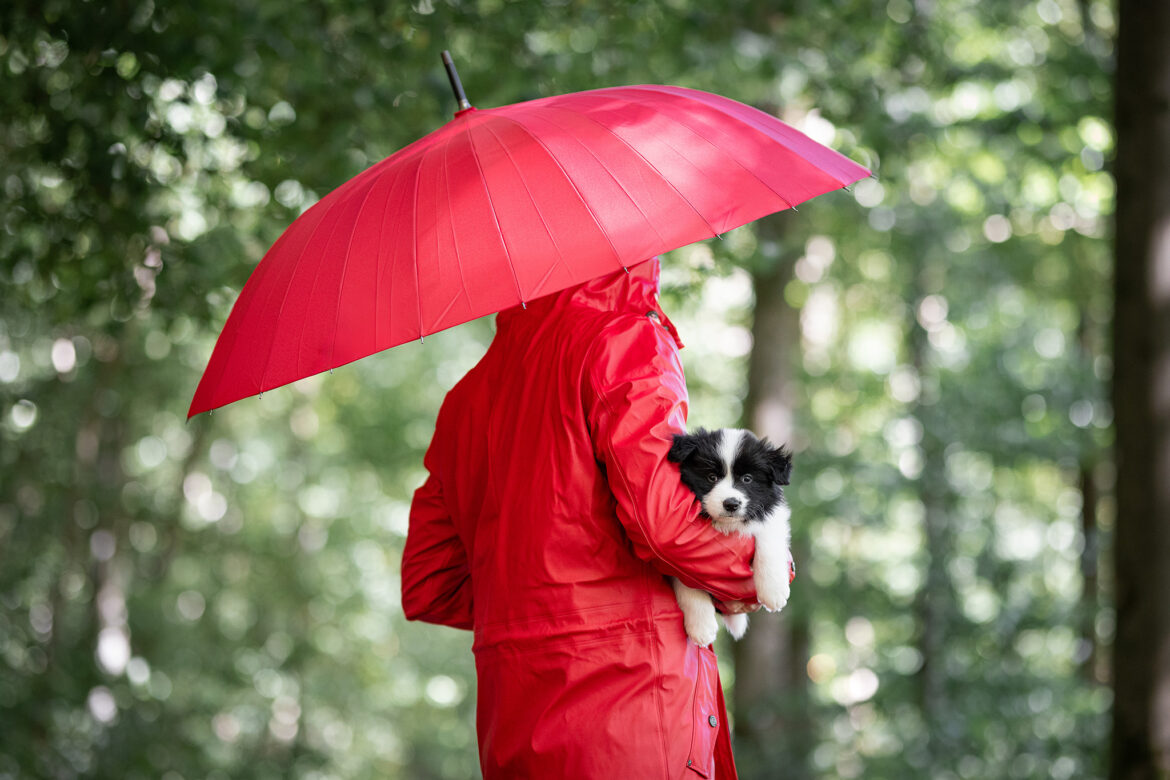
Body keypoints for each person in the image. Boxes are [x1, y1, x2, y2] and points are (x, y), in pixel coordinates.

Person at [401, 257, 760, 779]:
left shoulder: (466, 401)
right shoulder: (624, 340)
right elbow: (665, 526)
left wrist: (540, 599)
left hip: (516, 726)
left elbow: (429, 583)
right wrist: (766, 562)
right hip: (633, 712)